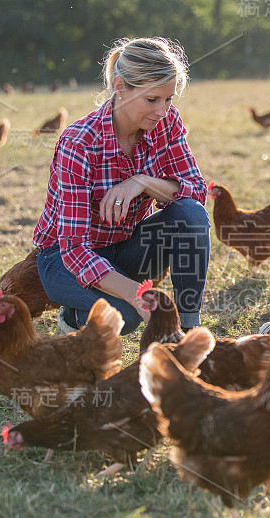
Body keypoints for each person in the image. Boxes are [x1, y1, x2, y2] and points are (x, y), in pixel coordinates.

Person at [33, 37, 209, 335]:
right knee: (125, 316)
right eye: (152, 100)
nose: (162, 111)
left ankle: (188, 331)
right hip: (65, 259)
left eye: (168, 100)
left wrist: (142, 182)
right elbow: (74, 249)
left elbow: (196, 192)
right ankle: (73, 319)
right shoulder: (79, 143)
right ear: (120, 88)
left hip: (125, 247)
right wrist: (139, 296)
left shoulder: (167, 124)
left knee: (189, 214)